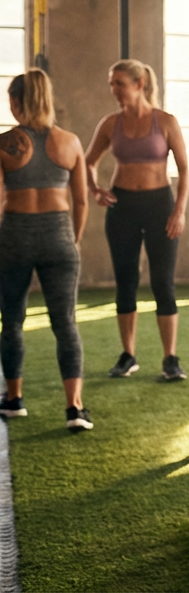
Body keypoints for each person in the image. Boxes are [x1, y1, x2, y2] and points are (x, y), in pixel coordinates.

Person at [84, 59, 189, 381]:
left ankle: (170, 359)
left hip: (160, 205)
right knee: (126, 282)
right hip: (123, 206)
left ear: (139, 84)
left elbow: (185, 170)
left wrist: (179, 210)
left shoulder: (166, 122)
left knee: (163, 283)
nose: (114, 90)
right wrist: (95, 190)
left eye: (120, 83)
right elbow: (87, 162)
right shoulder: (109, 123)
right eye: (111, 83)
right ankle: (128, 355)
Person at [0, 70, 93, 431]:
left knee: (12, 321)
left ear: (18, 102)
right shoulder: (69, 142)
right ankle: (74, 409)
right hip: (59, 237)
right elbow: (81, 201)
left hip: (15, 238)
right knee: (65, 323)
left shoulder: (6, 143)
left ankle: (14, 400)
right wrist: (74, 239)